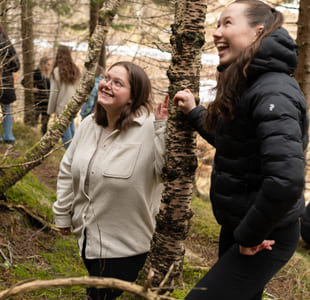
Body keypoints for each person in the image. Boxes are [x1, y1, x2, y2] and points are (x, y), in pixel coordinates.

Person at [173, 1, 309, 299]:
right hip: (242, 223)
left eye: (228, 23)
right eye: (217, 24)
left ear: (257, 32)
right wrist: (195, 112)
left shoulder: (274, 90)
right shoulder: (249, 83)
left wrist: (251, 235)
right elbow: (237, 144)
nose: (216, 32)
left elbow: (286, 180)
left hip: (265, 233)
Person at [53, 61, 168, 300]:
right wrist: (63, 213)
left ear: (132, 96)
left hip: (125, 247)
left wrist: (162, 129)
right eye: (107, 78)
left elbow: (168, 173)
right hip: (87, 240)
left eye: (118, 83)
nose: (107, 85)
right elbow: (67, 169)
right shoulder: (88, 124)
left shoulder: (150, 129)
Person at [47, 45, 80, 149]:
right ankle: (74, 155)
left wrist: (50, 110)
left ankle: (71, 159)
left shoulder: (56, 71)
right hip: (73, 105)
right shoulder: (75, 69)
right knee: (71, 131)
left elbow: (54, 93)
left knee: (66, 135)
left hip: (62, 107)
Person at [0, 24, 20, 144]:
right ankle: (8, 136)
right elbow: (16, 65)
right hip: (5, 80)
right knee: (6, 109)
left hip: (4, 79)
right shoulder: (7, 44)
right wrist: (8, 69)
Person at [22, 56, 52, 135]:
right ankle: (32, 135)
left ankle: (43, 137)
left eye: (50, 65)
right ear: (43, 64)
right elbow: (24, 81)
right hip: (37, 101)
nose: (49, 67)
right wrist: (31, 88)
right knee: (35, 119)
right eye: (48, 64)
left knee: (45, 122)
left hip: (47, 102)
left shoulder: (49, 76)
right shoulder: (35, 73)